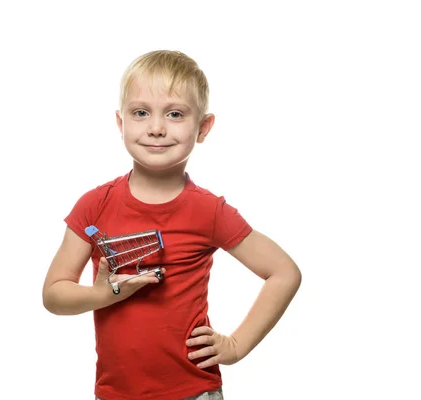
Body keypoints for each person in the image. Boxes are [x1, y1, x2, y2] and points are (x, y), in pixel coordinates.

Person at [42, 50, 302, 400]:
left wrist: (236, 346)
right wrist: (102, 294)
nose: (156, 127)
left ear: (203, 128)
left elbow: (284, 272)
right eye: (141, 113)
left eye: (175, 114)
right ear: (121, 124)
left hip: (192, 390)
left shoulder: (210, 211)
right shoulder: (94, 205)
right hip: (116, 393)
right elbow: (54, 294)